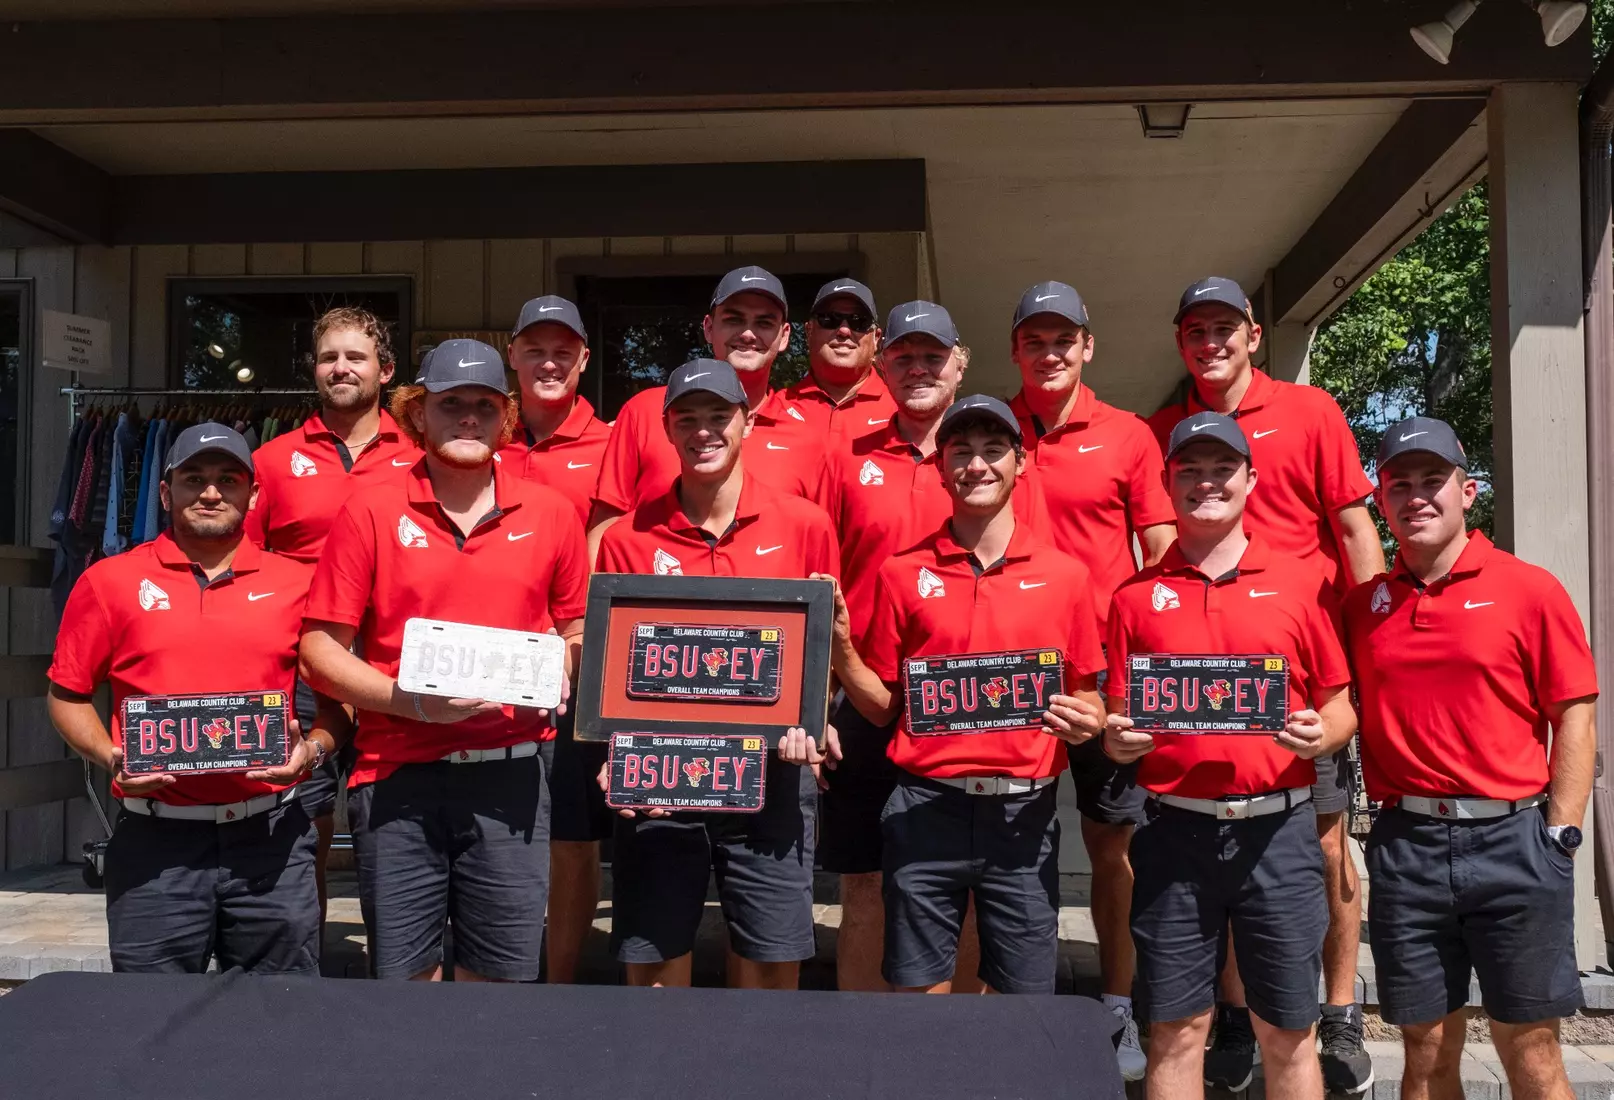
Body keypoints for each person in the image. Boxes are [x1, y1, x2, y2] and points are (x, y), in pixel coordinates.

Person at [1147, 277, 1380, 1092]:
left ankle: (1340, 1012)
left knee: (1317, 842)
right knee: (1217, 831)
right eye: (1194, 330)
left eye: (1223, 328)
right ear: (1181, 340)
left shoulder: (1310, 411)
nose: (1210, 343)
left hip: (1304, 664)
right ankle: (1239, 1017)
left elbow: (1356, 529)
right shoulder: (1164, 430)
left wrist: (1371, 650)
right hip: (1208, 668)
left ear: (1252, 333)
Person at [299, 339, 588, 982]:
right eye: (450, 403)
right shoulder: (370, 508)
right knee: (406, 981)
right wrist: (413, 703)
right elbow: (319, 651)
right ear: (417, 412)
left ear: (505, 417)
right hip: (397, 774)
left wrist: (564, 664)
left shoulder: (552, 513)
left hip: (511, 777)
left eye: (484, 406)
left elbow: (577, 629)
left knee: (502, 981)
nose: (467, 418)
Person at [1105, 413, 1358, 1100]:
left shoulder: (1302, 583)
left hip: (1278, 833)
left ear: (1250, 479)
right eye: (1189, 469)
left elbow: (1341, 706)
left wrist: (1324, 733)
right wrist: (1118, 740)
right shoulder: (1133, 599)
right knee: (1176, 1030)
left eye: (1222, 468)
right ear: (1167, 484)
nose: (1205, 482)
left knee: (1288, 1030)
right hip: (1173, 833)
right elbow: (1120, 720)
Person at [1344, 416, 1596, 1100]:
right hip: (1408, 847)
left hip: (1515, 842)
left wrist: (1562, 833)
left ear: (1468, 491)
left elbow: (1574, 711)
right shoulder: (1365, 607)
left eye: (1434, 481)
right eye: (1399, 484)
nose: (1417, 496)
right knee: (1424, 1054)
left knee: (1532, 1050)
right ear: (1380, 497)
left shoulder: (1529, 589)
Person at [825, 394, 1105, 996]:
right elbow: (881, 707)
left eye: (992, 450)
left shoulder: (1066, 576)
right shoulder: (901, 572)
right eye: (961, 452)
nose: (976, 465)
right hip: (925, 809)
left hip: (1023, 815)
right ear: (940, 465)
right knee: (917, 999)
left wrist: (1089, 720)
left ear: (1020, 462)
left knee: (1024, 1002)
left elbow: (1088, 695)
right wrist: (840, 647)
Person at [47, 424, 343, 974]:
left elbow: (339, 704)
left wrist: (315, 750)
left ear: (254, 496)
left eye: (228, 479)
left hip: (271, 842)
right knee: (151, 1026)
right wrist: (113, 755)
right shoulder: (108, 582)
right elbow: (66, 695)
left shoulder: (299, 583)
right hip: (156, 843)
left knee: (280, 1022)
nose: (211, 492)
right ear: (166, 493)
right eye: (195, 479)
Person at [594, 358, 839, 991]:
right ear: (667, 432)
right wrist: (617, 748)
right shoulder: (627, 537)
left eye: (719, 417)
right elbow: (615, 670)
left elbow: (823, 649)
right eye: (688, 419)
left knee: (770, 960)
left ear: (748, 422)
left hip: (774, 774)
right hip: (661, 774)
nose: (704, 432)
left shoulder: (805, 524)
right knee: (652, 960)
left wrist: (813, 721)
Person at [807, 301, 1017, 993]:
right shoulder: (847, 459)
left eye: (933, 356)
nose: (919, 368)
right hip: (866, 697)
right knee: (862, 883)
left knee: (966, 888)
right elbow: (816, 584)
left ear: (960, 362)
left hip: (966, 700)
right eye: (903, 356)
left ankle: (958, 1054)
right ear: (880, 365)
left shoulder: (995, 464)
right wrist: (815, 706)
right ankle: (861, 1048)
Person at [1007, 280, 1174, 1077]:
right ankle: (1008, 1004)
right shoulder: (991, 429)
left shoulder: (1130, 435)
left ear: (1088, 346)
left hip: (1104, 670)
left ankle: (1118, 1002)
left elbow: (1161, 552)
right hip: (1008, 671)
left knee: (1114, 842)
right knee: (1007, 836)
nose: (1050, 353)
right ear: (1015, 351)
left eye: (1063, 339)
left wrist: (1149, 667)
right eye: (1035, 340)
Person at [245, 305, 418, 932]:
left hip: (390, 667)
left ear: (386, 370)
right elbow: (246, 566)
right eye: (328, 357)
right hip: (299, 672)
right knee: (303, 829)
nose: (340, 368)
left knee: (392, 830)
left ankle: (391, 968)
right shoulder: (271, 460)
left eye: (356, 356)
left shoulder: (422, 456)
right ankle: (307, 964)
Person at [498, 295, 614, 984]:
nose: (548, 361)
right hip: (489, 666)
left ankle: (563, 979)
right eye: (534, 348)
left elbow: (616, 544)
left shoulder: (610, 444)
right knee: (501, 830)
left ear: (584, 359)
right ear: (511, 354)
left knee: (573, 835)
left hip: (573, 662)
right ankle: (502, 965)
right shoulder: (479, 434)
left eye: (563, 350)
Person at [588, 265, 798, 559]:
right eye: (734, 319)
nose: (748, 333)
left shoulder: (808, 433)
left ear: (785, 335)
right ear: (709, 327)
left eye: (764, 322)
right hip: (657, 601)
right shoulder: (645, 411)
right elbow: (606, 528)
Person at [757, 277, 897, 495]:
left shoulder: (901, 412)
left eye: (858, 321)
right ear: (809, 331)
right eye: (829, 319)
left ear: (876, 338)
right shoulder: (773, 411)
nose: (843, 331)